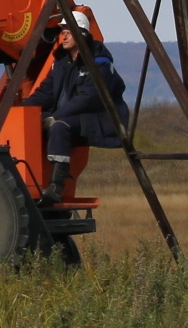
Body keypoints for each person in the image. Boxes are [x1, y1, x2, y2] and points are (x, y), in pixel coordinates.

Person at [31, 19, 127, 207]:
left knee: (60, 127)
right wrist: (22, 110)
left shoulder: (99, 64)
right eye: (62, 32)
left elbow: (89, 98)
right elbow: (45, 93)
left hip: (97, 119)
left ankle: (56, 187)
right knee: (28, 123)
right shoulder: (61, 63)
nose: (63, 36)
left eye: (68, 31)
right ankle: (30, 182)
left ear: (82, 34)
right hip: (68, 115)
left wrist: (56, 116)